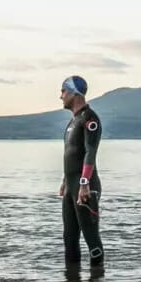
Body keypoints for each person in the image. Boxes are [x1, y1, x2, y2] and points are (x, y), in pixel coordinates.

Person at [59, 75, 105, 270]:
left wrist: (84, 183)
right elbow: (72, 154)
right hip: (72, 187)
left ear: (74, 93)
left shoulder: (89, 118)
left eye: (63, 91)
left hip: (86, 187)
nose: (61, 96)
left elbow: (90, 152)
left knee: (91, 237)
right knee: (69, 239)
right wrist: (65, 181)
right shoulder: (73, 122)